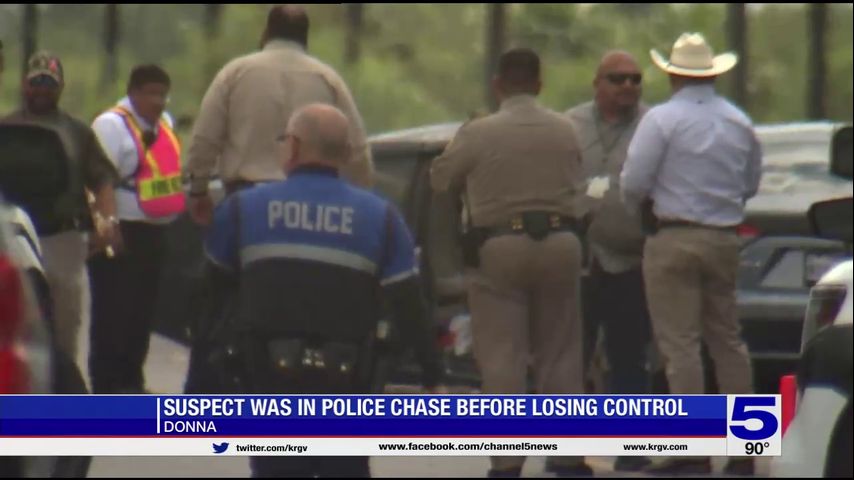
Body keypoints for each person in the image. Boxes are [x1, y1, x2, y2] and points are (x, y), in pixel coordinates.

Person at [203, 103, 444, 478]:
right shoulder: (381, 217)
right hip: (349, 383)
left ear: (294, 147)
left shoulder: (241, 209)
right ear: (346, 154)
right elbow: (409, 304)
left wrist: (200, 386)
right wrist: (432, 375)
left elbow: (210, 301)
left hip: (266, 382)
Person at [431, 48, 591, 478]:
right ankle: (568, 457)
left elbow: (440, 179)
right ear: (539, 84)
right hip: (561, 242)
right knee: (561, 352)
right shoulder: (567, 128)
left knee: (503, 355)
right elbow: (584, 184)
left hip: (499, 246)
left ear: (498, 85)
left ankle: (507, 461)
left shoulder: (479, 131)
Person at [621, 33, 761, 476]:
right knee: (728, 341)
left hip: (673, 236)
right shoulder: (739, 122)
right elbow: (750, 184)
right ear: (713, 74)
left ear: (673, 76)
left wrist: (643, 209)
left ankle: (693, 447)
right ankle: (747, 446)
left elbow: (633, 182)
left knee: (680, 344)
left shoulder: (661, 120)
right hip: (723, 237)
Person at [186, 4, 373, 226]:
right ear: (305, 38)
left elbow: (205, 139)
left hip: (246, 202)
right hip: (309, 207)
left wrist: (198, 190)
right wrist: (359, 199)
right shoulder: (328, 79)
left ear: (266, 33)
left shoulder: (234, 73)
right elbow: (357, 151)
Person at [2, 51, 120, 364]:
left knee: (65, 320)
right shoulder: (5, 127)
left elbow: (102, 178)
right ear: (25, 85)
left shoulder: (76, 132)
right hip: (11, 236)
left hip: (62, 238)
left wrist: (108, 222)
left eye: (49, 83)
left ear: (61, 87)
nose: (42, 89)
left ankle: (64, 383)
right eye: (36, 81)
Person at [565, 51, 652, 472]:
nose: (628, 86)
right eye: (618, 79)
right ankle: (564, 450)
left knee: (628, 356)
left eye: (635, 79)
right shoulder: (569, 124)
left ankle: (632, 446)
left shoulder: (653, 125)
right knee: (570, 356)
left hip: (631, 257)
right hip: (578, 257)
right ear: (597, 83)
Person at [88, 65, 184, 394]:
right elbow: (95, 179)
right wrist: (105, 225)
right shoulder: (111, 126)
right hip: (120, 231)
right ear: (133, 93)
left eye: (163, 94)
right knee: (113, 311)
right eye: (151, 93)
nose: (158, 101)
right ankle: (107, 384)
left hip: (154, 233)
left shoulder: (165, 122)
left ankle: (132, 380)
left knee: (142, 312)